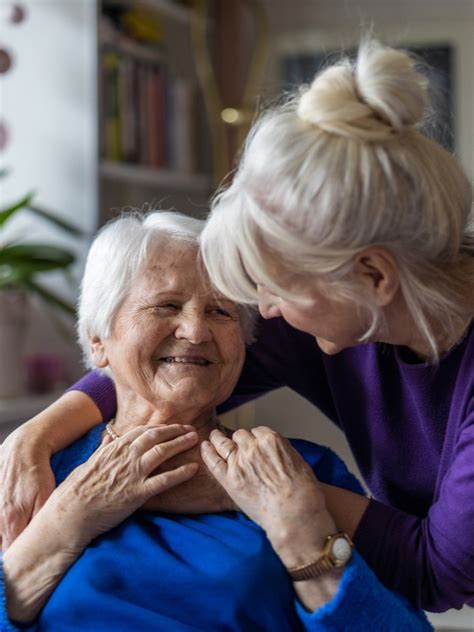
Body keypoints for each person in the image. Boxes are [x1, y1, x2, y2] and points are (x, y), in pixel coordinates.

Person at [1, 38, 473, 612]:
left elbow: (439, 573)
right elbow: (157, 361)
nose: (263, 315)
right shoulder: (49, 473)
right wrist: (33, 438)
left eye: (269, 290)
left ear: (374, 276)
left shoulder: (306, 475)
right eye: (165, 305)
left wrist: (283, 509)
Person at [0, 211, 431, 631]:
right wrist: (65, 523)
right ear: (98, 342)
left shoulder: (298, 470)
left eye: (221, 312)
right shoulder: (37, 474)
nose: (195, 331)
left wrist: (303, 534)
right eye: (166, 306)